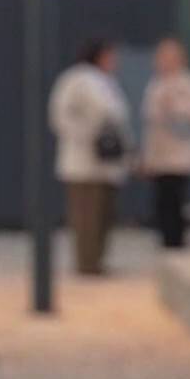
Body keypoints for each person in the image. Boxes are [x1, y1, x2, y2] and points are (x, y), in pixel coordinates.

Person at [49, 38, 133, 276]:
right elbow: (61, 116)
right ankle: (86, 262)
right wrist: (87, 134)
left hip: (107, 162)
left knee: (104, 215)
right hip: (83, 161)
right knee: (86, 216)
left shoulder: (108, 82)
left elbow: (117, 117)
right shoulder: (76, 79)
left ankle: (97, 260)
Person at [139, 38, 190, 250]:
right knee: (161, 200)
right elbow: (150, 124)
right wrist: (147, 157)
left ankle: (177, 240)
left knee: (176, 198)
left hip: (182, 153)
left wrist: (177, 109)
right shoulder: (156, 85)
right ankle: (166, 240)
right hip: (160, 154)